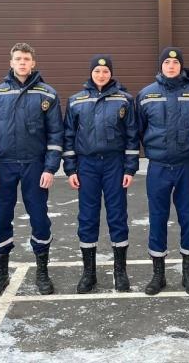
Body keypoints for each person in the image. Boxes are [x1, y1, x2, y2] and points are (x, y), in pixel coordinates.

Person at [0, 43, 64, 296]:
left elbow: (55, 135)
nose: (22, 62)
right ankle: (1, 273)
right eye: (18, 59)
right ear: (11, 62)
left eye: (26, 59)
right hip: (3, 166)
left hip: (35, 166)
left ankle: (42, 272)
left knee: (39, 218)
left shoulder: (48, 94)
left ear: (33, 63)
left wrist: (50, 168)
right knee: (1, 218)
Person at [63, 55, 140, 293]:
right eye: (97, 71)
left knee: (117, 215)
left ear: (111, 74)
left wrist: (130, 168)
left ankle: (120, 271)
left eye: (105, 71)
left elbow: (132, 136)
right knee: (87, 217)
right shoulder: (76, 100)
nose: (101, 75)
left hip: (114, 164)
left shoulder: (124, 99)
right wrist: (70, 168)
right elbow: (68, 136)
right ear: (91, 73)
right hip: (87, 165)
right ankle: (89, 273)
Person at [137, 47, 189, 296]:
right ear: (161, 66)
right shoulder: (146, 95)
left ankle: (188, 275)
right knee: (157, 217)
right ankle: (159, 275)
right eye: (166, 62)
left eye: (175, 63)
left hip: (186, 166)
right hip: (158, 167)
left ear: (181, 66)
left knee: (188, 217)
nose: (171, 66)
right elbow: (140, 129)